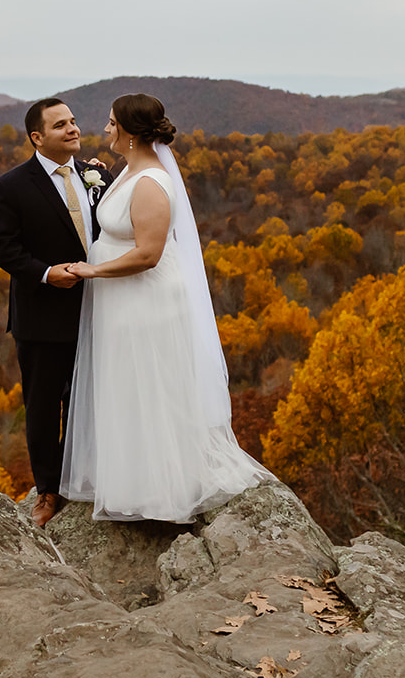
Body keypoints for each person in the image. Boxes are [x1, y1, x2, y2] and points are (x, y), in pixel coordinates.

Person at [59, 93, 272, 522]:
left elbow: (148, 254)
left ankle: (161, 490)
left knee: (150, 385)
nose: (104, 130)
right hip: (122, 300)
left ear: (131, 133)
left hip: (145, 298)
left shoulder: (152, 183)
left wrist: (90, 272)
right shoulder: (126, 171)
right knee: (127, 383)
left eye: (111, 123)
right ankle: (131, 479)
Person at [0, 99, 114, 528]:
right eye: (61, 125)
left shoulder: (97, 177)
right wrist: (44, 274)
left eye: (74, 121)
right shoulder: (10, 187)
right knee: (43, 409)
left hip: (98, 313)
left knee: (91, 401)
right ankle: (47, 492)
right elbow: (1, 247)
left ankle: (90, 477)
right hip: (42, 317)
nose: (73, 129)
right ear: (38, 137)